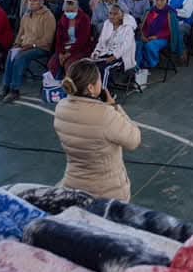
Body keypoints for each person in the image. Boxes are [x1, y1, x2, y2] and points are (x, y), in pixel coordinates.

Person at [53, 59, 142, 201]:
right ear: (90, 88)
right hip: (107, 193)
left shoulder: (61, 107)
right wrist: (114, 107)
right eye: (99, 80)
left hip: (73, 186)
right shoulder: (105, 114)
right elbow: (134, 140)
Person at [0, 0, 57, 104]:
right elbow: (20, 33)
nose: (31, 2)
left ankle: (15, 90)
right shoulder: (26, 15)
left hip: (41, 47)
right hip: (25, 45)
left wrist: (32, 45)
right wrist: (16, 44)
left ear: (41, 2)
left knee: (21, 57)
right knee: (11, 54)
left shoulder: (48, 16)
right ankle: (6, 86)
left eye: (35, 0)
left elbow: (48, 40)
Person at [91, 4, 138, 90]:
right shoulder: (107, 24)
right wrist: (96, 52)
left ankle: (106, 92)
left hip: (122, 57)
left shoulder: (128, 27)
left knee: (105, 69)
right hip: (106, 53)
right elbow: (101, 41)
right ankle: (96, 89)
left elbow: (126, 46)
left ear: (122, 15)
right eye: (110, 13)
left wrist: (114, 56)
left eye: (115, 14)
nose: (112, 16)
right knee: (91, 65)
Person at [54, 0, 93, 77]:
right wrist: (61, 53)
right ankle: (58, 81)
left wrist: (68, 54)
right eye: (67, 11)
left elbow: (82, 40)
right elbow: (59, 38)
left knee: (69, 64)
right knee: (53, 63)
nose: (69, 13)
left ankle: (71, 82)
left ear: (77, 9)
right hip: (66, 47)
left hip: (81, 48)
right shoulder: (63, 19)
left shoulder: (84, 19)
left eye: (72, 11)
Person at [138, 0, 174, 70]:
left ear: (166, 1)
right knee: (138, 44)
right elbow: (144, 26)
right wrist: (143, 36)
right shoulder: (150, 11)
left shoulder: (170, 12)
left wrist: (157, 37)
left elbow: (171, 31)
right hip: (148, 36)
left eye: (162, 0)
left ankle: (152, 63)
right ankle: (138, 64)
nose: (159, 2)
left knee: (150, 46)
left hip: (163, 38)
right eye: (157, 0)